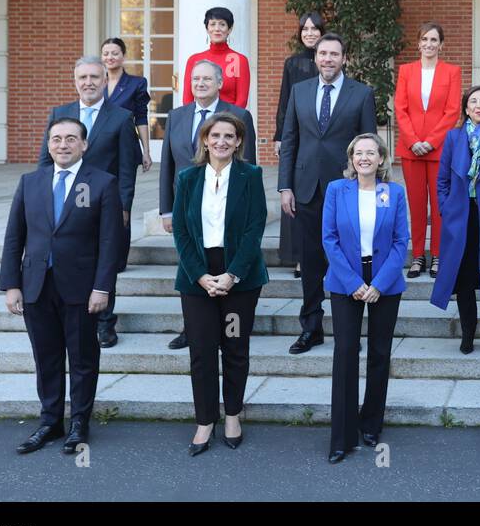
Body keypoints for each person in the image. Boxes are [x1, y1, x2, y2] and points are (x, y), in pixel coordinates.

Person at [0, 117, 122, 455]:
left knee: (82, 358)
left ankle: (79, 424)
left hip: (81, 288)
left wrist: (103, 287)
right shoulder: (30, 182)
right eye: (56, 139)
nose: (63, 145)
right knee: (47, 358)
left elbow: (111, 241)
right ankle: (50, 422)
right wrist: (12, 284)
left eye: (71, 139)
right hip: (36, 285)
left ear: (84, 145)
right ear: (48, 144)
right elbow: (14, 238)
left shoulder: (102, 183)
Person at [171, 112, 269, 456]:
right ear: (205, 140)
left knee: (234, 348)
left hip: (238, 280)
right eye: (215, 136)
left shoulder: (251, 175)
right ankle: (204, 420)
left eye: (229, 136)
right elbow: (181, 230)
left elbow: (255, 227)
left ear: (239, 141)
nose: (222, 142)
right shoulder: (188, 177)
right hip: (197, 278)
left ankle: (232, 415)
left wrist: (231, 275)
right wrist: (200, 275)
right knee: (200, 352)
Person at [278, 32, 377, 353]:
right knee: (309, 263)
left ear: (344, 58)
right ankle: (311, 327)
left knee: (348, 260)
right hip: (305, 190)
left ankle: (348, 329)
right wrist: (285, 186)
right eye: (323, 54)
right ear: (316, 57)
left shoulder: (361, 94)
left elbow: (368, 145)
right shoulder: (299, 91)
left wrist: (367, 188)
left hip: (347, 190)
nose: (328, 59)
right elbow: (290, 140)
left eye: (334, 54)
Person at [39, 56, 138, 349]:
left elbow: (126, 167)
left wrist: (124, 206)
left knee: (104, 259)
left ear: (104, 81)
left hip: (103, 203)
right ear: (75, 81)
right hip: (63, 202)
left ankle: (105, 323)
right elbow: (46, 161)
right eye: (82, 78)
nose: (88, 83)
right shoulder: (61, 113)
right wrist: (38, 201)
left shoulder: (120, 117)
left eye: (95, 77)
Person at [322, 133, 409, 463]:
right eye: (358, 153)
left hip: (384, 280)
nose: (364, 158)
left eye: (370, 153)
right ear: (351, 158)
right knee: (345, 352)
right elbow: (329, 240)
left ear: (381, 159)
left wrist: (380, 283)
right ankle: (342, 436)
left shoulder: (394, 193)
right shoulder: (336, 190)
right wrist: (354, 282)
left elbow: (402, 242)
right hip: (346, 280)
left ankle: (372, 422)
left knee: (379, 352)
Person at [160, 59, 257, 350]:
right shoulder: (177, 115)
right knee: (190, 266)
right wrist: (167, 207)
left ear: (219, 84)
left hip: (226, 206)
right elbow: (168, 164)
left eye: (206, 79)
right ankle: (193, 328)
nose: (200, 84)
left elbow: (247, 162)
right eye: (195, 79)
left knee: (224, 260)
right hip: (187, 209)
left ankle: (226, 323)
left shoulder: (238, 115)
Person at [430, 85, 480, 354]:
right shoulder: (453, 138)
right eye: (473, 102)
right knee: (464, 278)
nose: (478, 106)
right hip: (460, 218)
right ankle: (467, 332)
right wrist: (446, 207)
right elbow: (442, 180)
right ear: (466, 109)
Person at [394, 22, 462, 279]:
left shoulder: (451, 72)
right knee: (416, 204)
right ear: (418, 42)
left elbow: (452, 110)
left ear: (441, 45)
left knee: (439, 203)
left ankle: (437, 255)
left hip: (439, 148)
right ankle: (418, 255)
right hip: (411, 149)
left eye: (434, 40)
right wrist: (413, 140)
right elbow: (400, 108)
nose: (429, 44)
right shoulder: (406, 71)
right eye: (425, 39)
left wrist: (431, 141)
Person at [273, 12, 325, 277]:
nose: (310, 33)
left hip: (323, 139)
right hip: (297, 137)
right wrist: (280, 136)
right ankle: (299, 258)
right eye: (305, 29)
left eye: (315, 29)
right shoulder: (292, 63)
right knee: (294, 196)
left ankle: (324, 256)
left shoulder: (330, 60)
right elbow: (284, 102)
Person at [100, 36, 153, 173]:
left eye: (115, 53)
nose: (109, 57)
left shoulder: (137, 83)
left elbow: (141, 118)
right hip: (99, 149)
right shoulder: (95, 84)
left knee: (124, 193)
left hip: (125, 148)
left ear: (123, 56)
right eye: (105, 54)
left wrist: (146, 151)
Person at [182, 6, 251, 108]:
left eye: (222, 24)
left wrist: (227, 122)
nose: (217, 29)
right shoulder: (194, 60)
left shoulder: (239, 60)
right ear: (207, 29)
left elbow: (242, 100)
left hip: (229, 119)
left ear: (230, 29)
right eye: (212, 24)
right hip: (201, 120)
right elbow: (187, 99)